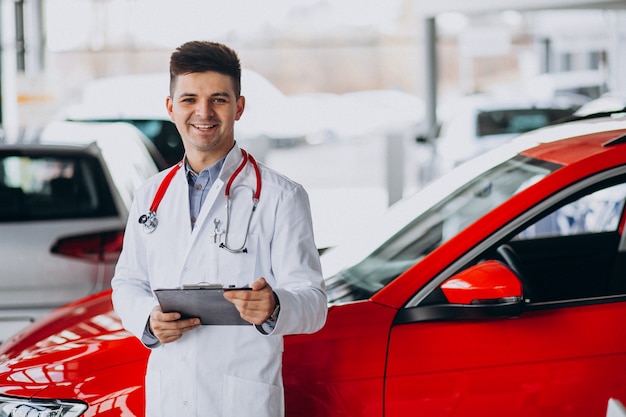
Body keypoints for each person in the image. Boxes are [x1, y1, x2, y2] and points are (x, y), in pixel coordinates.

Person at [111, 40, 327, 417]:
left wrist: (275, 306)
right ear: (171, 107)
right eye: (190, 99)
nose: (203, 112)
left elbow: (314, 302)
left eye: (219, 99)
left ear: (239, 107)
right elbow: (127, 282)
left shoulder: (282, 196)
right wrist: (148, 318)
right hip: (169, 394)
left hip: (240, 399)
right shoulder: (151, 195)